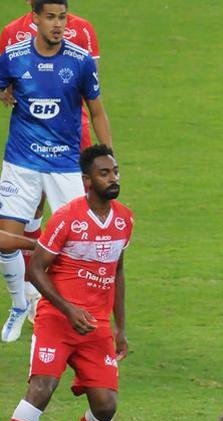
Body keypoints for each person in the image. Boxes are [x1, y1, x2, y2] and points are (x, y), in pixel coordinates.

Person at [0, 144, 129, 421]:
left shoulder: (124, 220)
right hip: (58, 319)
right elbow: (36, 268)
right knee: (41, 389)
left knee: (106, 406)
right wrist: (66, 308)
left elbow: (118, 272)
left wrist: (120, 327)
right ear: (87, 181)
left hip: (96, 327)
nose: (113, 178)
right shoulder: (66, 219)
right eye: (105, 174)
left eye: (115, 172)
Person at [0, 0, 111, 343]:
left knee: (85, 242)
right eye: (50, 17)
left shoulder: (78, 61)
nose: (58, 24)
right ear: (34, 19)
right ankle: (20, 304)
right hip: (21, 162)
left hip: (65, 164)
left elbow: (97, 112)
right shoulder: (13, 55)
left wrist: (108, 159)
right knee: (3, 241)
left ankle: (82, 317)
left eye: (62, 17)